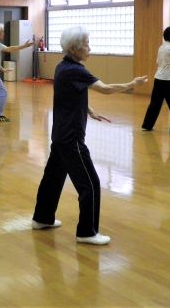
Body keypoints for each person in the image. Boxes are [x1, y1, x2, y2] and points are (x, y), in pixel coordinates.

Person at [32, 26, 148, 245]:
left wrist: (89, 110)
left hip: (59, 135)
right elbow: (105, 88)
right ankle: (87, 232)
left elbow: (69, 96)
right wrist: (132, 85)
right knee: (91, 184)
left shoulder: (62, 66)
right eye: (86, 44)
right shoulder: (76, 70)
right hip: (71, 138)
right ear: (74, 48)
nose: (89, 48)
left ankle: (42, 218)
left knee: (53, 179)